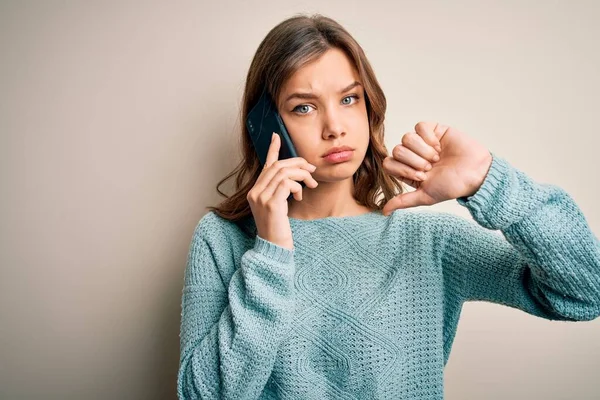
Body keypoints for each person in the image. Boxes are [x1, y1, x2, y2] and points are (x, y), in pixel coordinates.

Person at [176, 13, 600, 399]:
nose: (335, 127)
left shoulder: (426, 241)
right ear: (267, 125)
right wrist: (270, 251)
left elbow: (584, 292)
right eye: (304, 107)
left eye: (349, 99)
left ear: (370, 106)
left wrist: (490, 179)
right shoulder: (223, 240)